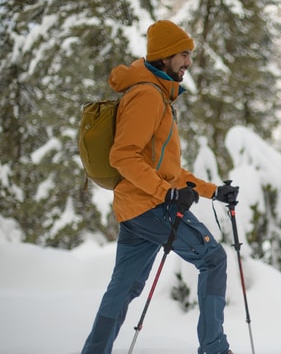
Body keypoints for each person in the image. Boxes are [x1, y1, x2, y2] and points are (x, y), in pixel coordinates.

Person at [81, 20, 239, 354]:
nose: (188, 62)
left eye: (189, 55)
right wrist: (165, 193)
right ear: (165, 56)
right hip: (150, 206)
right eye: (183, 54)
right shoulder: (147, 96)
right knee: (213, 259)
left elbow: (168, 171)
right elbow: (123, 156)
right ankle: (216, 350)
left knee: (123, 287)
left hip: (136, 207)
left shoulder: (155, 95)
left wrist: (214, 192)